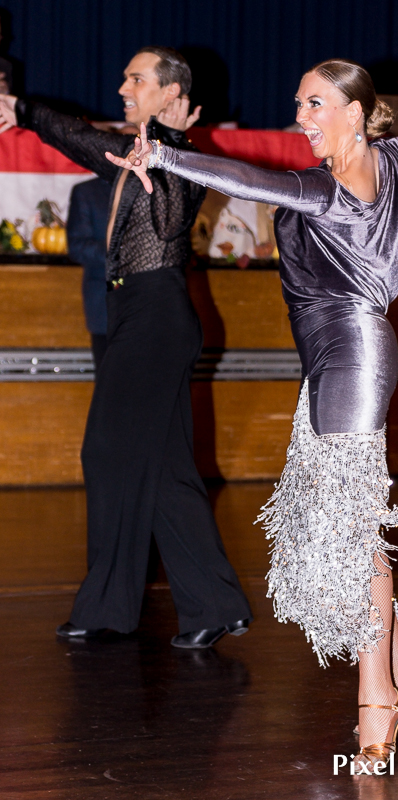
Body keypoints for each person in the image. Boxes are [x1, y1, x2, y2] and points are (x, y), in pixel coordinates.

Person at [106, 58, 398, 770]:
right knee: (337, 525)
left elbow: (247, 180)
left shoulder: (326, 190)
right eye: (298, 103)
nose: (300, 117)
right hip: (342, 358)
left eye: (314, 104)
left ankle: (375, 699)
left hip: (351, 356)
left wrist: (166, 155)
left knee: (353, 532)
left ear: (355, 113)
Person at [0, 46, 251, 647]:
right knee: (164, 472)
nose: (122, 87)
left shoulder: (184, 160)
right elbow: (77, 136)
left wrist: (165, 154)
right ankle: (216, 605)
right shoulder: (129, 152)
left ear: (171, 94)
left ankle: (108, 608)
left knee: (106, 453)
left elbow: (167, 225)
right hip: (134, 314)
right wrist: (20, 110)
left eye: (136, 79)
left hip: (156, 316)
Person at [67, 177, 111, 373]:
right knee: (108, 379)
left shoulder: (149, 187)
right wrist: (120, 250)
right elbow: (77, 247)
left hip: (147, 299)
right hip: (104, 301)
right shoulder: (87, 191)